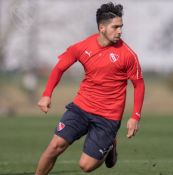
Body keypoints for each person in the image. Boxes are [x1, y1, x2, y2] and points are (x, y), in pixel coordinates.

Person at [35, 2, 145, 174]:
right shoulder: (82, 47)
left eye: (121, 27)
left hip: (108, 116)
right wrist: (47, 94)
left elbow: (139, 85)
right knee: (55, 146)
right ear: (102, 27)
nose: (120, 31)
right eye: (115, 27)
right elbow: (59, 68)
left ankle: (110, 145)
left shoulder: (128, 55)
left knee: (85, 166)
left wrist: (135, 116)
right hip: (81, 108)